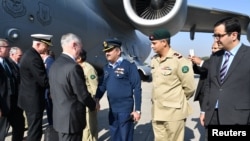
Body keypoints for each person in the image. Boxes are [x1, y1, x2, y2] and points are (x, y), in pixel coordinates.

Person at [200, 17, 250, 133]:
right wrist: (204, 111)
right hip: (212, 116)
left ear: (233, 35)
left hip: (238, 118)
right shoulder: (215, 57)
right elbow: (209, 85)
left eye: (219, 35)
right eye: (215, 36)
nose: (216, 39)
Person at [149, 29, 195, 141]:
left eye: (154, 43)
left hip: (174, 112)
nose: (151, 46)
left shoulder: (179, 60)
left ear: (164, 42)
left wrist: (176, 100)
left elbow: (189, 87)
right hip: (157, 111)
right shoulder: (154, 60)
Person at [49, 33, 96, 141]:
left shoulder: (55, 65)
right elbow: (82, 94)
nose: (81, 50)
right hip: (72, 122)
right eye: (81, 46)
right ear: (74, 45)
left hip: (60, 120)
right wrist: (93, 105)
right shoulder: (73, 67)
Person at [95, 38, 142, 141]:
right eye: (105, 51)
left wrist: (137, 110)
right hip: (112, 110)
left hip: (125, 110)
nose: (107, 53)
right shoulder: (107, 68)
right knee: (115, 136)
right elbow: (102, 85)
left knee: (125, 137)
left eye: (109, 50)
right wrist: (97, 98)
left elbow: (137, 88)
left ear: (118, 51)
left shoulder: (129, 66)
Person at [18, 34, 53, 141]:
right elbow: (43, 81)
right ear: (38, 44)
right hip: (33, 100)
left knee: (34, 129)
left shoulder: (29, 54)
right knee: (34, 131)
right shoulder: (33, 58)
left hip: (29, 98)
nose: (48, 48)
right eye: (46, 46)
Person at [0, 39, 25, 141]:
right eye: (7, 47)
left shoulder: (10, 63)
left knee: (19, 128)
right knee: (1, 133)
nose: (9, 49)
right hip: (3, 105)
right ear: (0, 49)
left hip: (14, 104)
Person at [189, 42, 222, 107]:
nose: (212, 50)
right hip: (203, 94)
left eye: (215, 48)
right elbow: (199, 71)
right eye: (212, 48)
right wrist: (194, 63)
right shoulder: (209, 60)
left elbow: (213, 69)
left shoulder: (223, 61)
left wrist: (201, 62)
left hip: (212, 95)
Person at [76, 49, 98, 141]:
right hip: (80, 102)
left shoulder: (88, 69)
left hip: (89, 102)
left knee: (89, 127)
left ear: (79, 58)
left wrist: (94, 102)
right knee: (83, 126)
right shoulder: (76, 68)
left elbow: (94, 87)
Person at [41, 49, 55, 126]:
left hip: (49, 91)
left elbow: (51, 78)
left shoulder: (49, 61)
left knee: (50, 110)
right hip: (47, 90)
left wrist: (51, 91)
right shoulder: (47, 61)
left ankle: (52, 127)